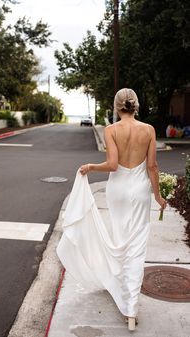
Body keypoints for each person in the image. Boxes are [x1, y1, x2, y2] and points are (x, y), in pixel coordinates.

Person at [57, 88, 166, 331]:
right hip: (139, 191)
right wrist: (157, 196)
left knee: (120, 240)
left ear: (117, 107)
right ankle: (130, 308)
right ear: (136, 105)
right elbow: (152, 166)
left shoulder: (111, 130)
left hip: (117, 192)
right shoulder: (148, 130)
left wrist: (90, 166)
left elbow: (113, 165)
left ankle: (120, 287)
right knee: (136, 246)